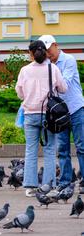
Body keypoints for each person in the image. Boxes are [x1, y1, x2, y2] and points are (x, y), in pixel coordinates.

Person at [15, 40, 67, 197]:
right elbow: (63, 88)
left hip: (30, 115)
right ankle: (48, 185)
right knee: (50, 150)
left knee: (30, 150)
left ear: (30, 54)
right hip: (49, 116)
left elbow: (19, 93)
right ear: (45, 52)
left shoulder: (24, 70)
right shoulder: (53, 68)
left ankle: (30, 186)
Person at [38, 35, 84, 190]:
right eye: (44, 51)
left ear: (55, 45)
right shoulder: (45, 64)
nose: (47, 53)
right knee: (62, 150)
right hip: (58, 114)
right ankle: (65, 183)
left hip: (76, 109)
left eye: (49, 49)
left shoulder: (69, 60)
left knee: (81, 147)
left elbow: (65, 83)